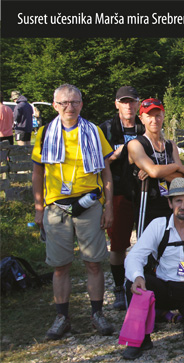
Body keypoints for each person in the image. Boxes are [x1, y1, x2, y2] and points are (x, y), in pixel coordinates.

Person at [31, 84, 115, 340]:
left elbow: (106, 172)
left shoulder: (94, 131)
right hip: (56, 206)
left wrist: (108, 206)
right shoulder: (45, 133)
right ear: (55, 105)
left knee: (93, 263)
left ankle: (97, 314)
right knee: (60, 266)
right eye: (64, 103)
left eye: (75, 102)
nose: (70, 107)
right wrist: (38, 208)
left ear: (81, 103)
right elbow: (37, 172)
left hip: (89, 203)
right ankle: (62, 317)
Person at [122, 177, 184, 360]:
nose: (183, 206)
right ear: (169, 203)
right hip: (163, 288)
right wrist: (138, 276)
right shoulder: (158, 226)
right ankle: (139, 340)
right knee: (135, 283)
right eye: (178, 200)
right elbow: (135, 256)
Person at [99, 86, 144, 311]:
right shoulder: (106, 129)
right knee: (118, 244)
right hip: (117, 191)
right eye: (124, 101)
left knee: (148, 241)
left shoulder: (144, 126)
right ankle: (118, 288)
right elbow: (98, 161)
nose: (128, 106)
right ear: (116, 104)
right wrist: (117, 155)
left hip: (144, 190)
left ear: (138, 104)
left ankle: (146, 284)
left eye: (132, 101)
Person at [127, 98, 184, 230]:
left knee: (171, 247)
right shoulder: (136, 144)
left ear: (163, 116)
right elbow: (154, 171)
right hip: (146, 205)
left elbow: (181, 178)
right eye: (149, 116)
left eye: (158, 115)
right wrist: (176, 167)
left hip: (171, 204)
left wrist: (158, 172)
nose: (154, 120)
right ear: (141, 118)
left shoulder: (170, 145)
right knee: (149, 249)